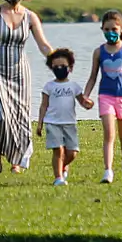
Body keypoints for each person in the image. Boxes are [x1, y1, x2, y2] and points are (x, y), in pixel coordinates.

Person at [0, 0, 54, 175]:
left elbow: (42, 44)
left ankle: (17, 161)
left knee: (21, 118)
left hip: (21, 73)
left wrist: (55, 57)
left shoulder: (30, 16)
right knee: (3, 117)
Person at [81, 9, 122, 185]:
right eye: (107, 30)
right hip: (106, 97)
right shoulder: (99, 52)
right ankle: (108, 170)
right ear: (102, 30)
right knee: (109, 134)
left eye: (114, 29)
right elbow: (93, 76)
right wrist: (85, 96)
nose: (111, 33)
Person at [36, 48, 93, 186]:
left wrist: (88, 104)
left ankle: (61, 167)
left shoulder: (74, 86)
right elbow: (43, 106)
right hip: (52, 123)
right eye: (56, 67)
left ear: (70, 68)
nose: (59, 69)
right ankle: (58, 178)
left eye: (63, 66)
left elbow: (82, 101)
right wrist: (40, 123)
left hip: (69, 123)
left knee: (72, 152)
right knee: (58, 149)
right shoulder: (49, 86)